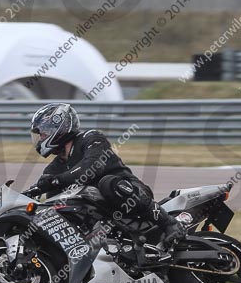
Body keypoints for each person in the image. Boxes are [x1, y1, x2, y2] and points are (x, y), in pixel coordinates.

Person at [29, 102, 185, 250]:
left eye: (43, 133)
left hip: (132, 193)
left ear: (59, 127)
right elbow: (50, 200)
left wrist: (56, 181)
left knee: (107, 183)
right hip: (103, 215)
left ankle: (170, 224)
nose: (40, 139)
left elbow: (91, 168)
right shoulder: (54, 168)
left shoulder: (91, 138)